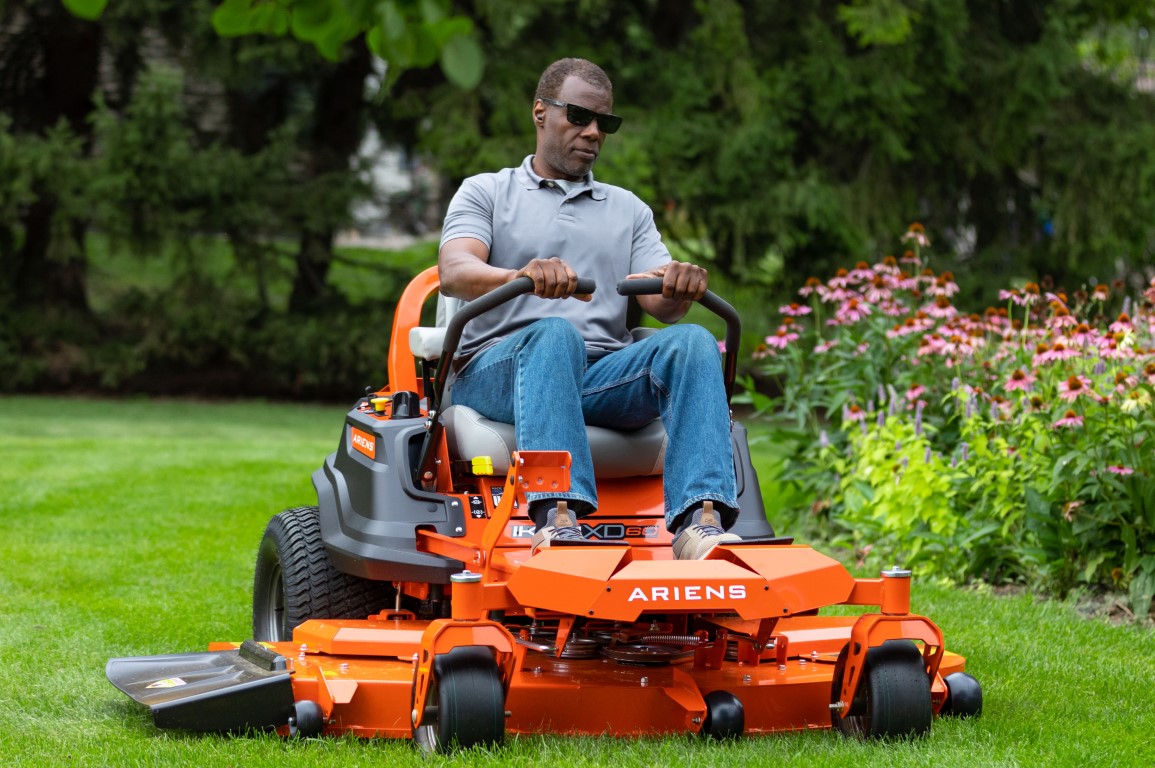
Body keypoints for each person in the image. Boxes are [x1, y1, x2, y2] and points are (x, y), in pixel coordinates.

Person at [437, 58, 740, 559]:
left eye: (605, 123)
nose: (593, 132)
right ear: (540, 112)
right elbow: (454, 270)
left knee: (692, 342)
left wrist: (679, 285)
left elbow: (659, 304)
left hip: (600, 374)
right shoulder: (487, 191)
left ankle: (700, 523)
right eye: (579, 116)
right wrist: (522, 278)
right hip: (497, 371)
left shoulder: (629, 209)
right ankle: (558, 518)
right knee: (555, 335)